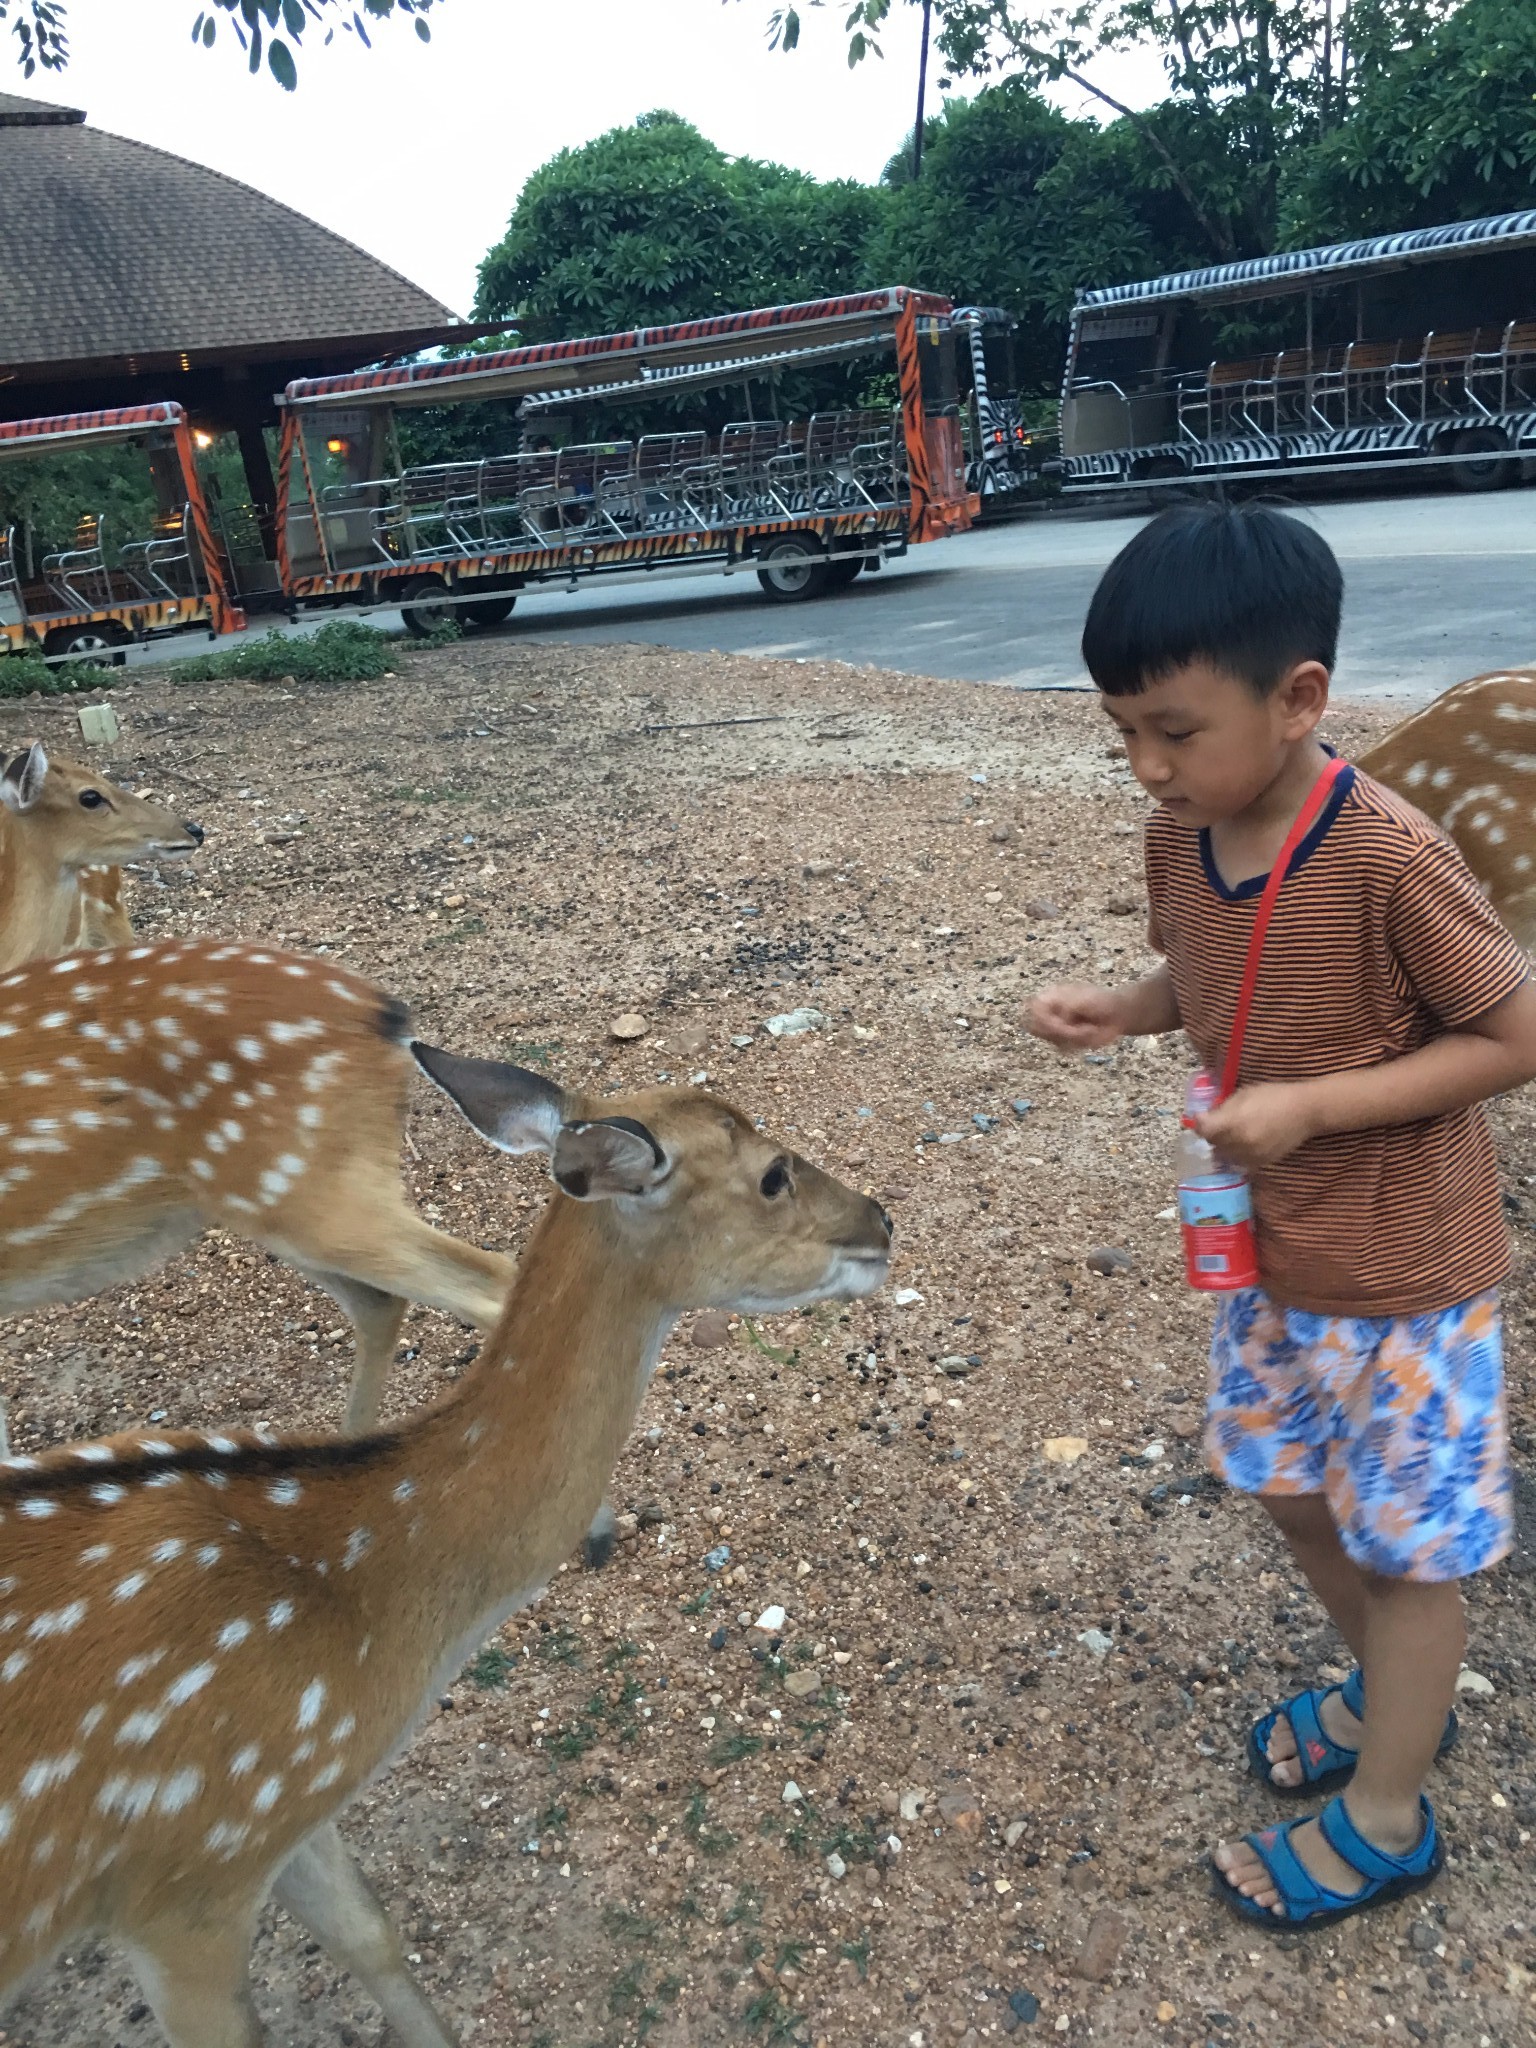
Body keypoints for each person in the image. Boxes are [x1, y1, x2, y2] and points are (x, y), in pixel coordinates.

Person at [1027, 501, 1536, 1930]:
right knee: (1282, 1485)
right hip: (1271, 1259)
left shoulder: (1391, 858)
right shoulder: (1178, 842)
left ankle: (1388, 1811)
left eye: (1175, 731)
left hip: (1406, 1276)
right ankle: (1391, 1694)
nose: (1147, 766)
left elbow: (1512, 1037)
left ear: (1299, 696)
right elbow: (1201, 972)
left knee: (1408, 1546)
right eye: (1121, 729)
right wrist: (1125, 1010)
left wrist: (1314, 1106)